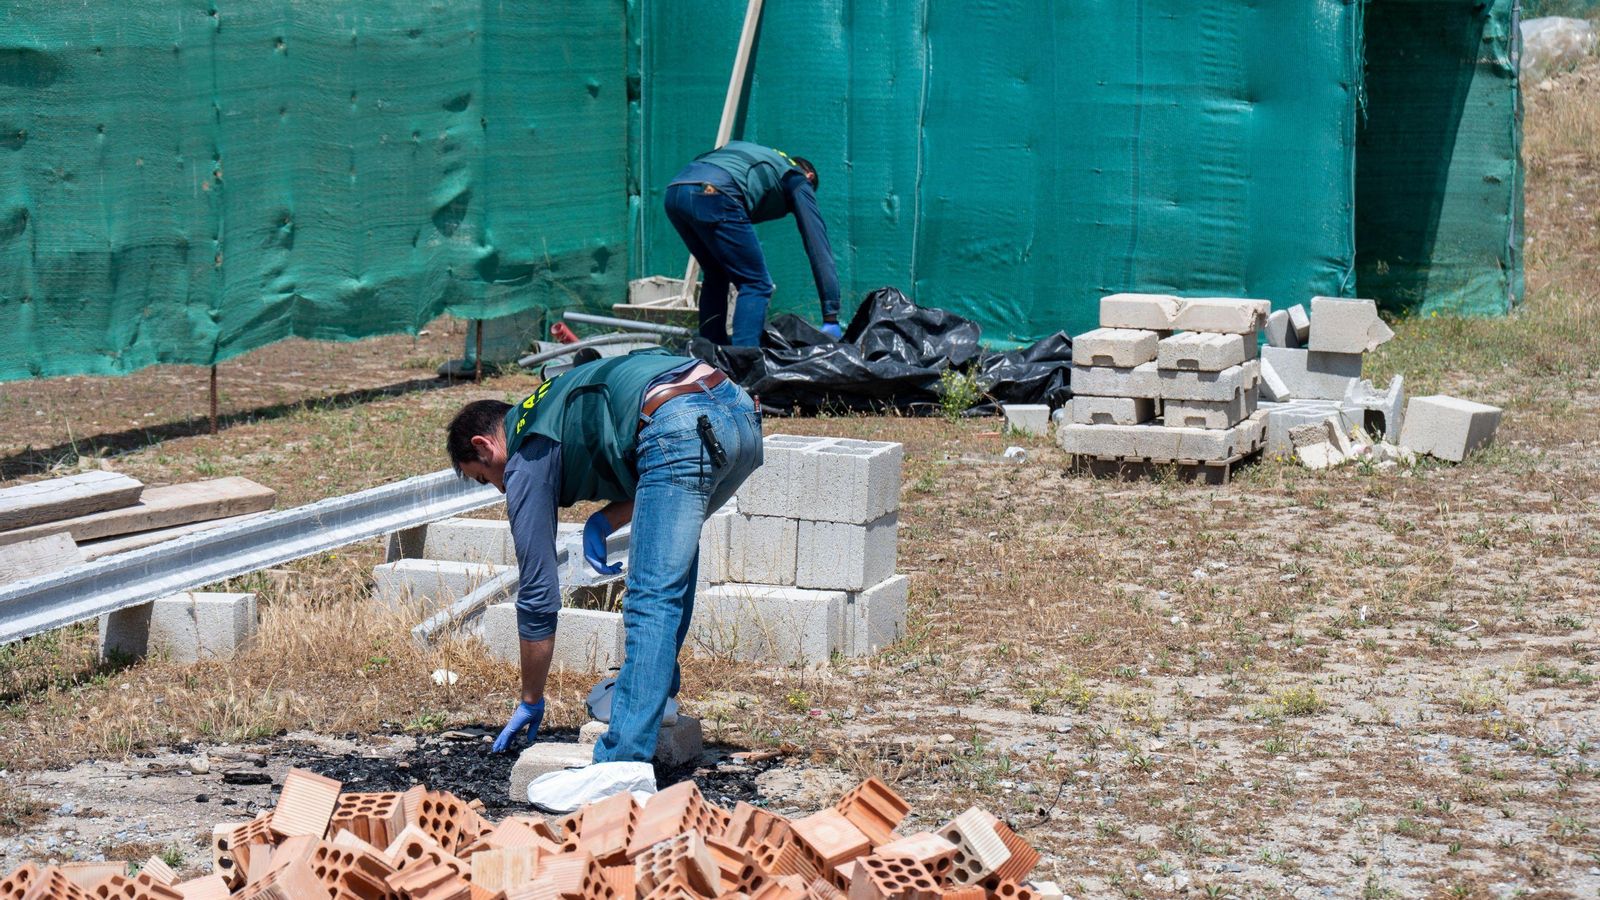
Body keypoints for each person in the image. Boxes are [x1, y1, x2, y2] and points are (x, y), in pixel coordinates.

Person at [446, 352, 762, 764]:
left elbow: (539, 594)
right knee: (673, 574)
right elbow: (658, 469)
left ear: (483, 445)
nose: (500, 490)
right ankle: (657, 696)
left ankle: (621, 759)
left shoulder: (524, 455)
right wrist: (603, 520)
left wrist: (531, 698)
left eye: (484, 478)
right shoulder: (547, 406)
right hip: (738, 414)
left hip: (678, 418)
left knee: (651, 598)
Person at [665, 141, 841, 347]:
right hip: (719, 191)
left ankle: (709, 355)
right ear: (809, 176)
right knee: (756, 284)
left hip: (675, 192)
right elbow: (818, 245)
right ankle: (743, 363)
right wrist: (831, 315)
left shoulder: (761, 158)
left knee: (716, 273)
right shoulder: (797, 178)